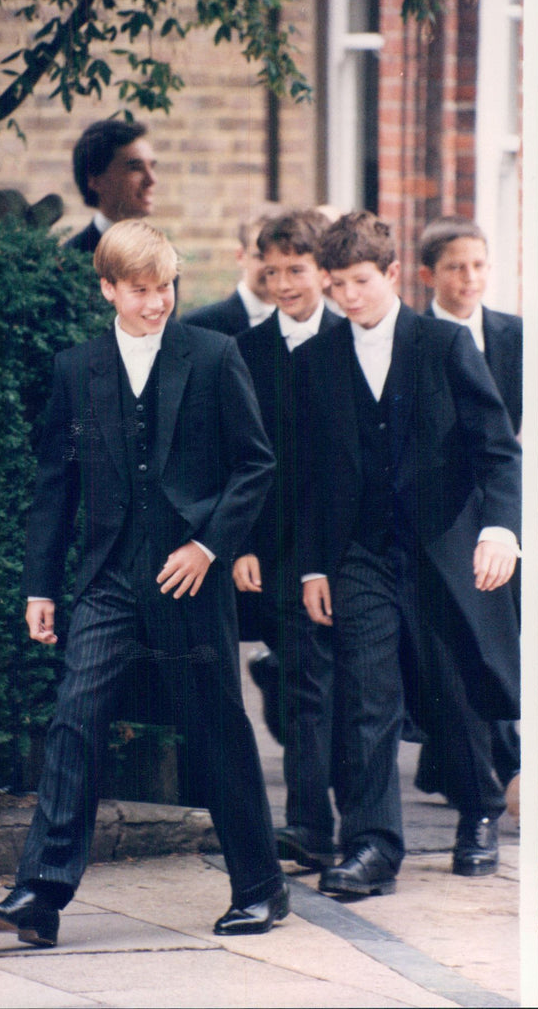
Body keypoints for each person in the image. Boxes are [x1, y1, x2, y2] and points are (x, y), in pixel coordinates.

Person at [0, 219, 288, 946]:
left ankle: (263, 889)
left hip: (189, 578)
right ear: (107, 288)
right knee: (74, 718)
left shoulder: (213, 355)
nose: (157, 302)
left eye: (167, 285)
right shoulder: (76, 367)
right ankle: (39, 895)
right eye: (141, 290)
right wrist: (40, 587)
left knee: (214, 729)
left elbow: (256, 465)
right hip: (109, 576)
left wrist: (209, 544)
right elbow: (56, 484)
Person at [296, 211, 521, 897]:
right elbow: (308, 474)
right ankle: (372, 845)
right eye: (336, 285)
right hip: (360, 550)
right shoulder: (316, 360)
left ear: (391, 274)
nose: (348, 297)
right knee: (369, 693)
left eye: (360, 281)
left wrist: (501, 530)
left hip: (443, 543)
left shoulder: (446, 345)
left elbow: (497, 448)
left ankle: (479, 808)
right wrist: (310, 564)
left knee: (452, 687)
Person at [232, 209, 342, 871]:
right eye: (270, 270)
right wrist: (241, 542)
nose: (282, 282)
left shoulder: (348, 340)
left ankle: (334, 824)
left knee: (326, 684)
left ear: (321, 271)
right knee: (304, 681)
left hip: (337, 543)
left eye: (295, 269)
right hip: (271, 545)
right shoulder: (245, 351)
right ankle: (308, 822)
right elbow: (239, 454)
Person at [416, 214, 523, 807]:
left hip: (507, 500)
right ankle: (495, 768)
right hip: (446, 511)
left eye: (479, 265)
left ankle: (470, 763)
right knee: (470, 632)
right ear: (430, 274)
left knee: (500, 629)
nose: (470, 278)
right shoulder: (416, 339)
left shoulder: (517, 335)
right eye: (456, 267)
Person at [180, 203, 285, 334]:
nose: (271, 269)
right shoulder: (200, 324)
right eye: (261, 257)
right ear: (241, 256)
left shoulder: (302, 322)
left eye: (280, 259)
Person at [64, 120, 157, 253]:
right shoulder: (69, 260)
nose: (152, 180)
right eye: (135, 168)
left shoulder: (164, 257)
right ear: (96, 181)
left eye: (152, 167)